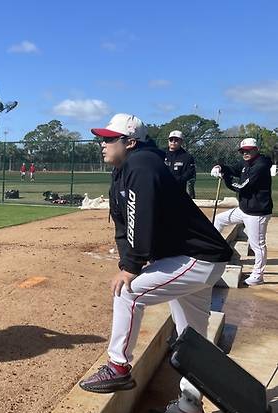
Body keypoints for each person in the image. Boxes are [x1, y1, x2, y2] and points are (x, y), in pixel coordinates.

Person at [79, 113, 233, 394]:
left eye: (109, 138)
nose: (102, 143)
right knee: (192, 337)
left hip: (196, 258)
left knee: (128, 292)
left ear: (130, 142)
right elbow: (123, 223)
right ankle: (192, 402)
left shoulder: (142, 164)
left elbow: (141, 217)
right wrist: (129, 258)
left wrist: (131, 267)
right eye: (102, 138)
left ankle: (118, 367)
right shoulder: (126, 169)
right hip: (191, 258)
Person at [211, 138, 273, 286]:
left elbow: (242, 187)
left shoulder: (260, 165)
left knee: (257, 244)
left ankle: (258, 275)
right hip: (244, 209)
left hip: (257, 212)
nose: (245, 153)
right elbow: (233, 168)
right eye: (243, 151)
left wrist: (225, 178)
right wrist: (221, 167)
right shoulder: (246, 162)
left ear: (256, 149)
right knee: (219, 220)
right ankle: (214, 250)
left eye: (249, 150)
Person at [164, 130, 196, 199]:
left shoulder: (187, 157)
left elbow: (189, 173)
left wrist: (176, 180)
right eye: (171, 139)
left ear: (181, 141)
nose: (173, 141)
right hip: (162, 189)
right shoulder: (161, 154)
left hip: (178, 190)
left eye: (176, 140)